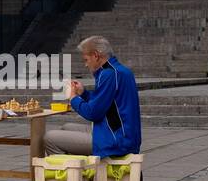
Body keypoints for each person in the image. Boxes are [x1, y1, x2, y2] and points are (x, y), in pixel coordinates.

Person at [46, 36, 143, 167]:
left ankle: (74, 179)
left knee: (49, 138)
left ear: (96, 55)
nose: (86, 64)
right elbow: (106, 104)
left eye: (86, 60)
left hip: (116, 140)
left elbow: (93, 113)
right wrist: (84, 93)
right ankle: (82, 172)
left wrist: (73, 97)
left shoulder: (108, 74)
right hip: (122, 134)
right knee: (66, 127)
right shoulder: (119, 71)